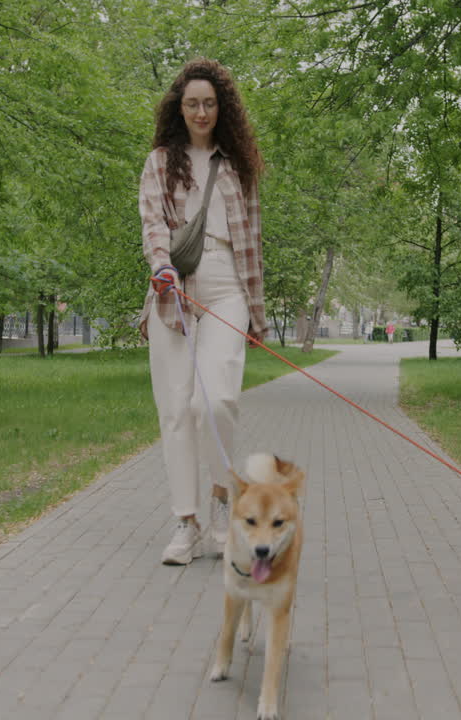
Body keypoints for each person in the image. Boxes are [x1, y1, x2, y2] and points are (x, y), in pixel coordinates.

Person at [138, 58, 266, 566]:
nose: (201, 111)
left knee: (213, 403)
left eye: (209, 103)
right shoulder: (159, 161)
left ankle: (219, 509)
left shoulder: (237, 165)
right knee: (175, 411)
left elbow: (253, 241)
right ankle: (186, 523)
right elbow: (152, 222)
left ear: (222, 108)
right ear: (179, 107)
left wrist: (257, 314)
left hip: (228, 287)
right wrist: (161, 266)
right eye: (192, 103)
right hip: (175, 289)